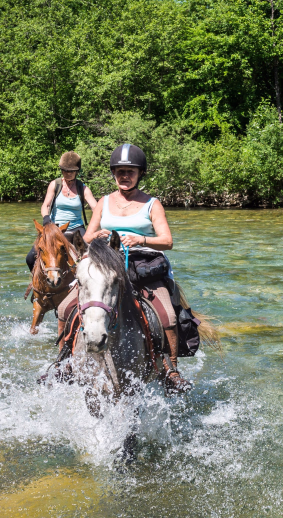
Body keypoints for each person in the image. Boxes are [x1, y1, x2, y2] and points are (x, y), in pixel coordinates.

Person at [83, 143, 190, 393]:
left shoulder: (152, 203)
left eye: (130, 172)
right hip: (107, 264)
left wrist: (140, 239)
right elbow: (87, 237)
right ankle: (65, 357)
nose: (125, 176)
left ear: (140, 174)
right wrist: (96, 235)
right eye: (120, 172)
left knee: (168, 315)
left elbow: (167, 241)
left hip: (144, 267)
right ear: (113, 173)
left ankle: (171, 369)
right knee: (69, 304)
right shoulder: (103, 202)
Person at [26, 152, 98, 271]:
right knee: (30, 258)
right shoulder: (55, 185)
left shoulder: (83, 188)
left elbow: (96, 209)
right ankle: (38, 279)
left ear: (77, 171)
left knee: (92, 256)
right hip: (55, 228)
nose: (67, 173)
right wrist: (46, 219)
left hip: (77, 229)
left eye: (71, 171)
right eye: (65, 170)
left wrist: (92, 230)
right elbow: (45, 205)